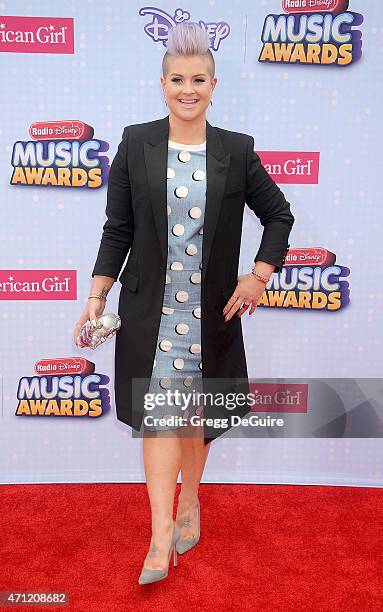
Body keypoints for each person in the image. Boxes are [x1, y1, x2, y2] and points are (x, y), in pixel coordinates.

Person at [73, 22, 294, 584]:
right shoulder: (134, 142)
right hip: (153, 313)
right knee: (159, 421)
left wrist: (260, 275)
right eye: (177, 79)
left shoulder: (236, 151)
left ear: (214, 85)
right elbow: (116, 229)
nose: (187, 89)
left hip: (211, 313)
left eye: (198, 79)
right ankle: (159, 533)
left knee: (194, 420)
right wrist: (96, 296)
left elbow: (278, 215)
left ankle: (190, 500)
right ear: (162, 83)